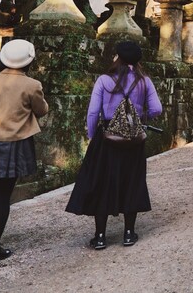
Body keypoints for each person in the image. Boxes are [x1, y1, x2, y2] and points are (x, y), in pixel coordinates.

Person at [66, 41, 162, 250]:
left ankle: (100, 236)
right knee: (132, 181)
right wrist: (138, 116)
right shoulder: (144, 81)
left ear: (117, 57)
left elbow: (93, 112)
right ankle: (129, 233)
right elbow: (157, 109)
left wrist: (94, 136)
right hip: (133, 138)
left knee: (102, 183)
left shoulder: (104, 80)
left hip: (107, 137)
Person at [0, 39, 48, 265]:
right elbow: (41, 110)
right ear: (29, 61)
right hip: (15, 142)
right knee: (3, 195)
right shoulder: (31, 84)